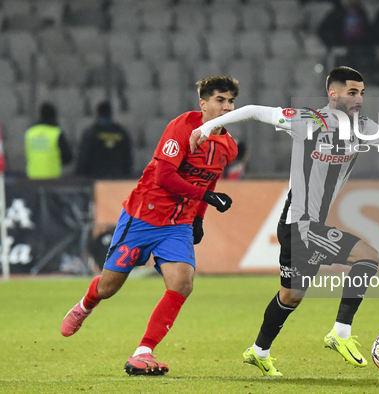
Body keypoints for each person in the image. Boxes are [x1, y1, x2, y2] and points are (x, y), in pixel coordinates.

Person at [189, 66, 379, 376]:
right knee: (368, 257)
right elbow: (253, 111)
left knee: (291, 295)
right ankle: (340, 333)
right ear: (333, 93)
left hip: (304, 225)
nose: (358, 99)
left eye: (361, 93)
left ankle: (258, 350)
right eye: (351, 92)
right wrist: (209, 126)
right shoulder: (306, 120)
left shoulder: (363, 126)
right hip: (301, 224)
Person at [60, 76, 239, 376]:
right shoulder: (182, 128)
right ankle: (85, 304)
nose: (227, 107)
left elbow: (209, 180)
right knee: (108, 287)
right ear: (203, 103)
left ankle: (143, 352)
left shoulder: (227, 146)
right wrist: (205, 196)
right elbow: (164, 177)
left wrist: (199, 217)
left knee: (182, 283)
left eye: (231, 101)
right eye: (220, 100)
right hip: (143, 216)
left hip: (178, 224)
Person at [75, 101, 133, 179]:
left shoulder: (92, 132)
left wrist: (80, 174)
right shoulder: (121, 132)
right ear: (111, 114)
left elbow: (84, 156)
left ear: (98, 114)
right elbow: (128, 157)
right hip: (117, 176)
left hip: (96, 176)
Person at [24, 102, 73, 179]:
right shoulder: (56, 133)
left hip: (32, 178)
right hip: (52, 178)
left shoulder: (30, 133)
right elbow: (68, 157)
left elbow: (27, 154)